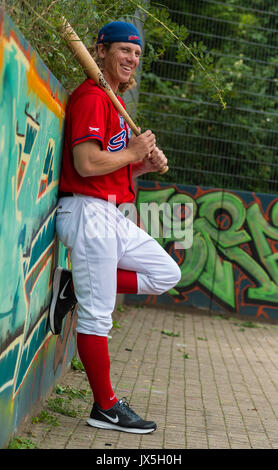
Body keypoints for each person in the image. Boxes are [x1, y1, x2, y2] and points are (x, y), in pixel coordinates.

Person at [49, 21, 181, 434]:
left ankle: (74, 285)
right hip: (86, 213)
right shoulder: (91, 97)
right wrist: (133, 151)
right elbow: (87, 165)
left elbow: (113, 170)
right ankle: (104, 407)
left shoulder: (113, 103)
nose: (132, 59)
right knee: (97, 318)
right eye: (124, 50)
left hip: (111, 213)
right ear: (100, 51)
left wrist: (140, 162)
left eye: (137, 54)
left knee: (166, 273)